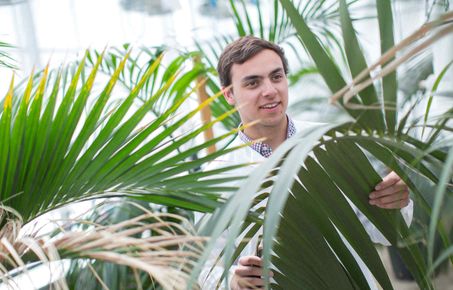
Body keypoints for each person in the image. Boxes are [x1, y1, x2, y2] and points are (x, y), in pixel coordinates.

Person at [199, 36, 413, 290]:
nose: (270, 90)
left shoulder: (331, 142)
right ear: (229, 95)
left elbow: (382, 231)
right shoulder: (216, 174)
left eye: (276, 77)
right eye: (253, 82)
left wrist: (396, 203)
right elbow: (204, 265)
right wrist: (233, 281)